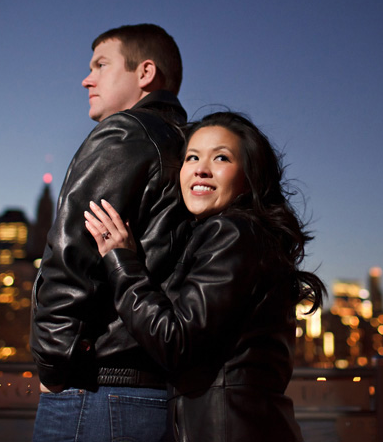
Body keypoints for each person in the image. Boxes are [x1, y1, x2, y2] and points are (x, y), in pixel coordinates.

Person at [84, 111, 326, 442]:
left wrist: (121, 261)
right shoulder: (249, 237)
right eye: (192, 157)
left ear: (248, 176)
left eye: (221, 157)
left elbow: (175, 341)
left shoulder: (232, 233)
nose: (201, 168)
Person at [31, 24, 187, 442]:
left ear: (145, 73)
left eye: (101, 64)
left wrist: (54, 368)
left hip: (99, 391)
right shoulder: (186, 147)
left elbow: (71, 260)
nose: (87, 78)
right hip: (159, 395)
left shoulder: (124, 133)